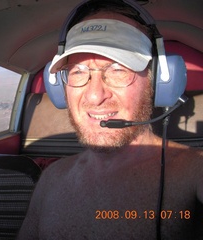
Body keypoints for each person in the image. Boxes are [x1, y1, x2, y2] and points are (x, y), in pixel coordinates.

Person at [17, 0, 203, 239]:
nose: (95, 96)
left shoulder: (193, 170)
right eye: (78, 71)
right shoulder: (52, 178)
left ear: (157, 79)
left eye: (118, 69)